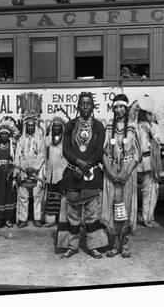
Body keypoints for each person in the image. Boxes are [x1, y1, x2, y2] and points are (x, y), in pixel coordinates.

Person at [57, 92, 108, 259]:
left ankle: (93, 246)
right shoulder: (70, 126)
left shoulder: (99, 126)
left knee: (93, 213)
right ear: (77, 107)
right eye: (82, 103)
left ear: (93, 106)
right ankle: (72, 246)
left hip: (92, 174)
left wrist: (87, 165)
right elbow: (65, 150)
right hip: (73, 174)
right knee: (72, 214)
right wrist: (78, 163)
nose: (85, 106)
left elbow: (99, 150)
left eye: (88, 103)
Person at [100, 94, 139, 258]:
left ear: (126, 108)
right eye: (115, 107)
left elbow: (137, 154)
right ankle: (114, 244)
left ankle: (125, 244)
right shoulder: (109, 126)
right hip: (111, 171)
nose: (118, 110)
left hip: (127, 172)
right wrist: (110, 171)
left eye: (121, 106)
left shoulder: (132, 127)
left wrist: (126, 172)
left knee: (126, 207)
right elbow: (104, 152)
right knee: (112, 207)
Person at [14, 93, 46, 228]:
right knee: (23, 195)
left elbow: (42, 155)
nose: (30, 127)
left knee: (37, 194)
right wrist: (21, 169)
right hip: (23, 171)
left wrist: (34, 168)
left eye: (33, 125)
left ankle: (38, 218)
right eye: (28, 125)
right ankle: (23, 219)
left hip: (36, 172)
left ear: (36, 126)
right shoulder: (21, 140)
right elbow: (17, 155)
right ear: (25, 126)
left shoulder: (39, 139)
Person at [132, 94, 162, 228]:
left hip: (148, 161)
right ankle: (129, 219)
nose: (143, 114)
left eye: (145, 112)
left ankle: (147, 218)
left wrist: (151, 126)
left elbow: (157, 141)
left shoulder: (151, 126)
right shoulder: (132, 126)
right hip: (133, 162)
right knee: (130, 191)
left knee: (150, 191)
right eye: (141, 111)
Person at [0, 117, 19, 228]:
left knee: (8, 197)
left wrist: (12, 171)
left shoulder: (13, 147)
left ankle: (7, 219)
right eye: (2, 134)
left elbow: (15, 160)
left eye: (6, 134)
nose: (4, 136)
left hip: (8, 176)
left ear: (9, 136)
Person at [43, 109, 70, 228]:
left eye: (59, 127)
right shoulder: (47, 140)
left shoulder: (66, 141)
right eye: (54, 127)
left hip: (62, 173)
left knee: (63, 197)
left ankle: (62, 220)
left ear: (62, 128)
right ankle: (50, 220)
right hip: (50, 173)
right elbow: (44, 156)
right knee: (51, 197)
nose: (56, 129)